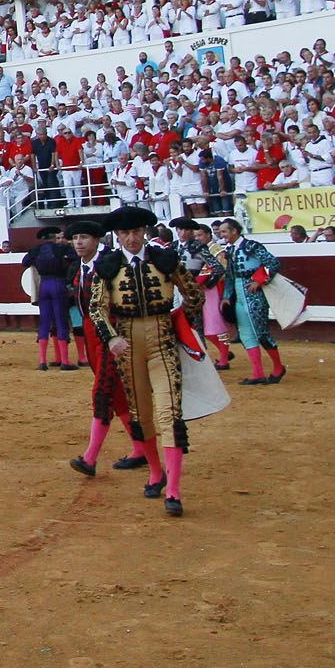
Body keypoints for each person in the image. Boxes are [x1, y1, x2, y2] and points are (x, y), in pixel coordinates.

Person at [88, 205, 205, 517]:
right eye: (124, 233)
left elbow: (195, 295)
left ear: (145, 232)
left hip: (162, 341)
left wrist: (180, 324)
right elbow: (96, 308)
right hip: (127, 345)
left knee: (169, 414)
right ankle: (156, 472)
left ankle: (174, 491)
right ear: (117, 235)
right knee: (141, 415)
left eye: (136, 232)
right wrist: (111, 337)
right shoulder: (108, 265)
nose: (131, 239)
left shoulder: (165, 260)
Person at [63, 217, 146, 478]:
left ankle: (90, 457)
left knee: (103, 391)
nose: (78, 242)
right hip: (92, 334)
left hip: (111, 334)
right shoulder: (80, 267)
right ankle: (140, 449)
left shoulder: (109, 264)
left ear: (97, 240)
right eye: (75, 239)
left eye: (84, 238)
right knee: (116, 394)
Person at [208, 219, 286, 385]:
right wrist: (226, 297)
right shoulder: (230, 250)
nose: (221, 235)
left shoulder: (252, 246)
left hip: (254, 294)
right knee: (245, 333)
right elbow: (229, 275)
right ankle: (258, 373)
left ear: (234, 231)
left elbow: (273, 263)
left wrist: (260, 281)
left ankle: (278, 367)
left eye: (224, 232)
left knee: (262, 333)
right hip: (239, 293)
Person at [22, 227, 80, 370]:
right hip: (58, 283)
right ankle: (65, 361)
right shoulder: (61, 249)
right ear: (54, 238)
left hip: (44, 285)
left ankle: (42, 361)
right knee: (61, 321)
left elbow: (25, 262)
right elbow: (76, 258)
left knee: (45, 322)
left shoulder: (36, 250)